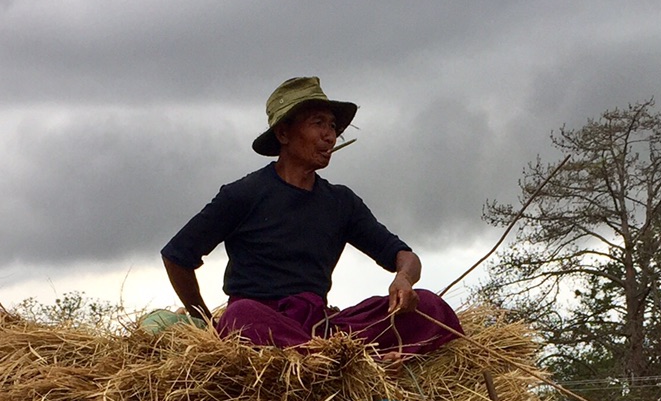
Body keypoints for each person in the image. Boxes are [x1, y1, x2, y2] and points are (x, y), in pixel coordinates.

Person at [161, 77, 463, 358]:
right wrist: (206, 323)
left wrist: (404, 279)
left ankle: (331, 361)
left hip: (320, 331)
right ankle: (343, 364)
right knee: (241, 319)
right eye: (318, 123)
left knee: (429, 307)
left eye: (332, 126)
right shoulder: (243, 194)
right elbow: (177, 256)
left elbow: (405, 256)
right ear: (283, 134)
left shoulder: (341, 202)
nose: (329, 135)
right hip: (263, 326)